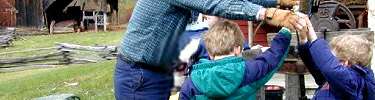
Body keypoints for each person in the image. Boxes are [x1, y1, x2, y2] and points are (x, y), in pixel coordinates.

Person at [114, 0, 303, 99]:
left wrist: (276, 1)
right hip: (140, 75)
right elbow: (214, 3)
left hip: (154, 73)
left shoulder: (195, 81)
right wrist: (269, 13)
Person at [179, 20, 292, 99]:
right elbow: (274, 56)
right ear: (238, 50)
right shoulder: (250, 71)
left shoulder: (192, 82)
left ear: (210, 53)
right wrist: (286, 30)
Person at [297, 15, 375, 100]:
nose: (327, 58)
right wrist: (303, 38)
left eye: (331, 58)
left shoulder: (351, 82)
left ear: (344, 63)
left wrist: (314, 39)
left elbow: (330, 68)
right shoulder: (334, 80)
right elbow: (315, 66)